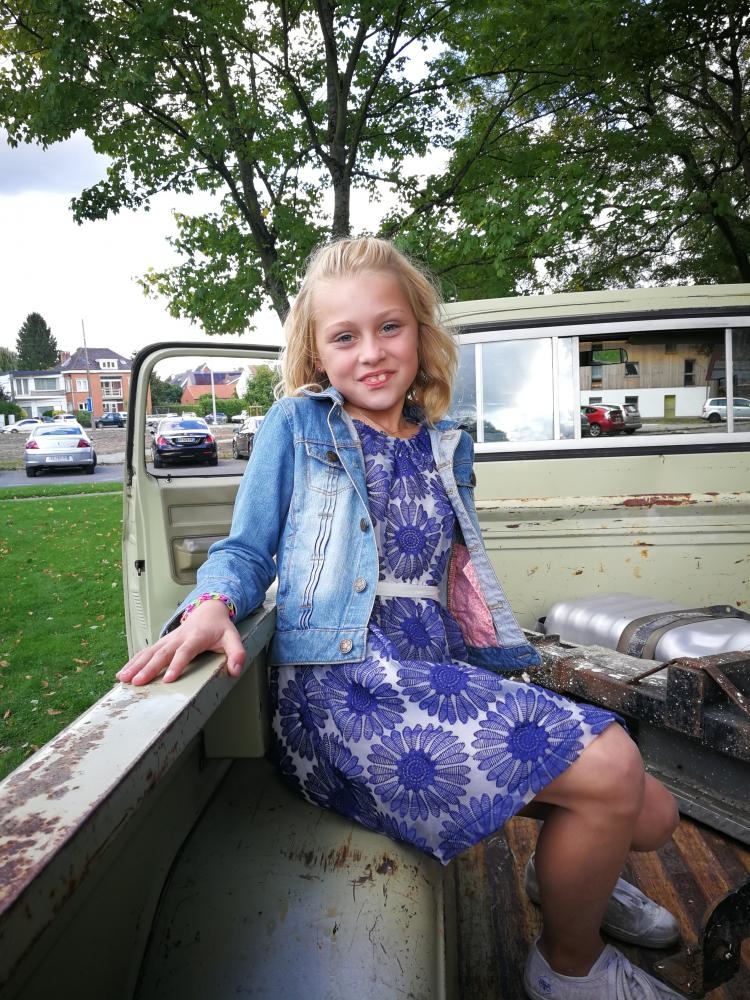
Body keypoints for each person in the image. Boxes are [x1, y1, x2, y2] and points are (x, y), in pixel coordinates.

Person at [117, 237, 683, 1000]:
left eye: (390, 327)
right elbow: (245, 551)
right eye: (344, 337)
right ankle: (567, 966)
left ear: (420, 331)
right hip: (344, 697)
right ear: (316, 354)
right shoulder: (299, 426)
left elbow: (452, 589)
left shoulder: (448, 446)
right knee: (613, 770)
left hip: (432, 677)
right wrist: (211, 604)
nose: (372, 352)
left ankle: (567, 876)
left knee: (652, 815)